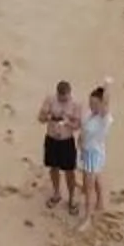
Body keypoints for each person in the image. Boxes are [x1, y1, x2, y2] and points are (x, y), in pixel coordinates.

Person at [38, 80, 82, 213]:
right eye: (60, 97)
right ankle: (56, 193)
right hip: (51, 139)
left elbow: (77, 126)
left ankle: (72, 197)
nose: (63, 99)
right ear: (57, 93)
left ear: (69, 93)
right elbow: (40, 118)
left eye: (65, 97)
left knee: (69, 171)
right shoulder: (50, 100)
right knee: (53, 168)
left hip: (66, 141)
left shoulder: (75, 104)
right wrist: (49, 117)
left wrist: (67, 122)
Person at [78, 81, 115, 224]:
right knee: (97, 178)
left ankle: (87, 217)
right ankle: (100, 202)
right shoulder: (90, 114)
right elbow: (83, 130)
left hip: (93, 154)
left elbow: (106, 102)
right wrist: (80, 145)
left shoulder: (104, 119)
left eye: (94, 103)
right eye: (90, 102)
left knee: (89, 187)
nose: (91, 106)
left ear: (101, 104)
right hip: (86, 151)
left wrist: (107, 86)